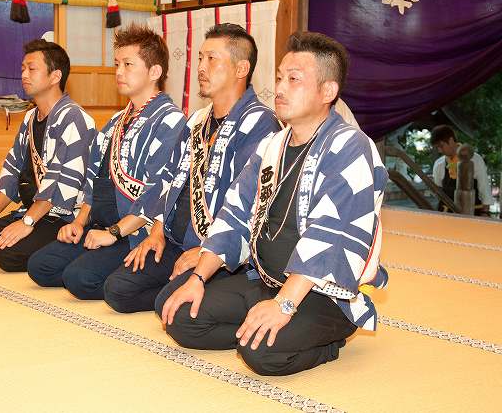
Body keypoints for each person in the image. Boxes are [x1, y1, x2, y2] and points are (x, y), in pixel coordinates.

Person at [159, 31, 389, 376]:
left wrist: (284, 304)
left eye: (293, 80)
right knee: (179, 314)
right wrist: (199, 278)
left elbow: (331, 236)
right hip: (264, 278)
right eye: (279, 78)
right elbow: (235, 213)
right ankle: (257, 326)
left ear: (328, 91)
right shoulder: (273, 146)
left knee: (261, 354)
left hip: (321, 293)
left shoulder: (351, 147)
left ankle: (326, 342)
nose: (280, 88)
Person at [103, 23, 281, 313]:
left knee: (173, 310)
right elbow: (170, 177)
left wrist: (206, 251)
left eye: (211, 59)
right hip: (176, 239)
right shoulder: (197, 120)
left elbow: (251, 204)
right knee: (117, 290)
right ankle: (173, 290)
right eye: (199, 58)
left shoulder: (260, 123)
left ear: (241, 69)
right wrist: (157, 231)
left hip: (220, 252)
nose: (201, 67)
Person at [26, 25, 186, 299]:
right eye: (116, 64)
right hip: (101, 223)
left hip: (135, 231)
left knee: (79, 279)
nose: (119, 72)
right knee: (41, 267)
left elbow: (158, 193)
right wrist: (79, 222)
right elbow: (94, 180)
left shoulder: (171, 120)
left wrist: (114, 232)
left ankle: (134, 277)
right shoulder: (116, 121)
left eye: (128, 64)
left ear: (155, 72)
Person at [0, 39, 97, 272]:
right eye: (23, 68)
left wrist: (27, 222)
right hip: (34, 209)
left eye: (32, 69)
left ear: (55, 76)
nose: (24, 74)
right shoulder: (30, 117)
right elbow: (13, 166)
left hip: (62, 214)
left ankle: (70, 246)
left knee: (6, 254)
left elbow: (60, 182)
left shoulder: (74, 119)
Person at [431, 124, 493, 215]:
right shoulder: (439, 164)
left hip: (472, 211)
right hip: (447, 213)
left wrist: (485, 211)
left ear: (451, 140)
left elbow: (484, 186)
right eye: (437, 147)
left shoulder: (475, 159)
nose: (440, 150)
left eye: (441, 146)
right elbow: (438, 191)